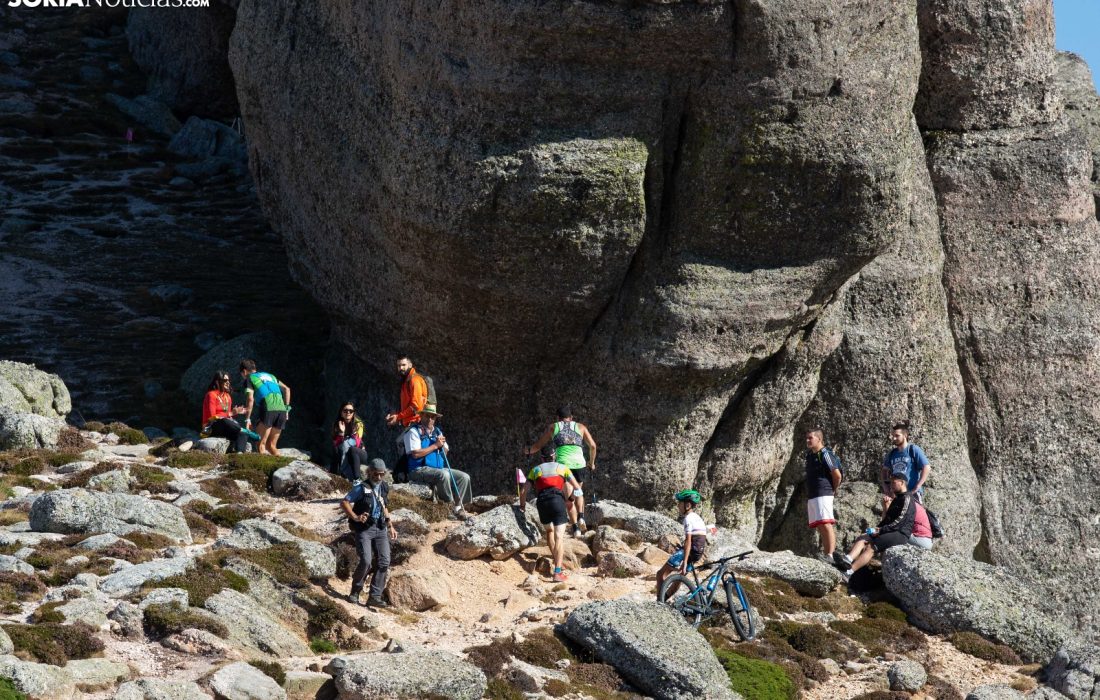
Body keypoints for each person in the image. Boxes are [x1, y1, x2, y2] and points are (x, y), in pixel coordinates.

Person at [526, 405, 597, 537]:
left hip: (564, 465)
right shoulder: (581, 427)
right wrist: (591, 463)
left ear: (558, 418)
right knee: (578, 491)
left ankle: (575, 528)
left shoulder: (553, 427)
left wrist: (528, 451)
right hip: (579, 463)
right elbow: (592, 446)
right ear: (571, 417)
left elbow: (538, 445)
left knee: (568, 499)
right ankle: (581, 517)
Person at [340, 459, 397, 608]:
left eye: (381, 474)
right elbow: (345, 502)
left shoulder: (384, 487)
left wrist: (390, 524)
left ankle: (374, 596)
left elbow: (383, 505)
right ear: (369, 472)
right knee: (366, 560)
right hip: (364, 529)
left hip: (381, 528)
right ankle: (355, 591)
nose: (378, 477)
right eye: (375, 474)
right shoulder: (361, 488)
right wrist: (355, 517)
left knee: (384, 561)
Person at [836, 474, 917, 581]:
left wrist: (880, 531)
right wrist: (885, 508)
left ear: (902, 483)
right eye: (890, 483)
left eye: (893, 482)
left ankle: (848, 573)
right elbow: (887, 519)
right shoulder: (897, 499)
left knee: (871, 547)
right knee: (863, 537)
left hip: (900, 534)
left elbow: (900, 521)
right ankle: (847, 560)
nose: (891, 486)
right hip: (891, 530)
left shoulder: (907, 498)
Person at [519, 447, 582, 583]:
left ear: (541, 458)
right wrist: (570, 499)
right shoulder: (562, 468)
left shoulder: (535, 470)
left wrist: (522, 506)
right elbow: (577, 488)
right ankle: (557, 572)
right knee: (559, 537)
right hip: (557, 501)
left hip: (542, 502)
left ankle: (557, 560)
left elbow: (524, 490)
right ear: (554, 457)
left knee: (549, 532)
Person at [402, 404, 472, 517]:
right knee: (443, 475)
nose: (430, 419)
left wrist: (442, 445)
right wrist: (435, 445)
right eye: (427, 416)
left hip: (436, 467)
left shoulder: (437, 432)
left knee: (464, 477)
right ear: (421, 416)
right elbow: (415, 454)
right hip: (418, 469)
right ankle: (448, 508)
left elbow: (445, 452)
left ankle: (459, 507)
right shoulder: (413, 432)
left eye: (433, 417)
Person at [655, 490, 708, 597]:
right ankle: (664, 599)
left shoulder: (688, 519)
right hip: (697, 553)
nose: (678, 505)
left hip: (690, 551)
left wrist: (684, 561)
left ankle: (659, 602)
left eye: (680, 503)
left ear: (687, 505)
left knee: (660, 574)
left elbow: (689, 541)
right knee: (679, 578)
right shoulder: (698, 518)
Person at [804, 428, 843, 565]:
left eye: (810, 438)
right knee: (820, 525)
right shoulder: (810, 455)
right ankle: (827, 555)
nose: (808, 440)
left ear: (819, 439)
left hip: (823, 492)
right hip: (813, 494)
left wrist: (833, 489)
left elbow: (837, 474)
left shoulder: (825, 454)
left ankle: (830, 555)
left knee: (826, 524)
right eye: (807, 438)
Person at [239, 359, 291, 456]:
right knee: (271, 446)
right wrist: (287, 409)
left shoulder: (249, 378)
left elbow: (250, 399)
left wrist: (247, 419)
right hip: (282, 410)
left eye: (241, 374)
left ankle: (263, 471)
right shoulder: (271, 376)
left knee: (260, 445)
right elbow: (287, 389)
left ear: (244, 371)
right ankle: (280, 467)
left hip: (268, 408)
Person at [881, 422, 931, 505]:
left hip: (912, 493)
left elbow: (926, 467)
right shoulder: (892, 453)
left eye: (897, 435)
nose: (894, 438)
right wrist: (886, 487)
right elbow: (884, 470)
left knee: (914, 517)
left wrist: (917, 486)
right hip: (896, 495)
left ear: (905, 435)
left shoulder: (913, 450)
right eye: (893, 436)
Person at [201, 371, 250, 453]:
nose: (228, 383)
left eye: (228, 380)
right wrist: (231, 413)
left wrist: (236, 413)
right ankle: (241, 430)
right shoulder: (211, 395)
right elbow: (212, 417)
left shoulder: (228, 396)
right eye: (225, 380)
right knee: (224, 421)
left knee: (243, 433)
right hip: (211, 427)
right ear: (217, 382)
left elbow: (228, 418)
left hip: (224, 426)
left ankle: (239, 454)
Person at [384, 355, 428, 428]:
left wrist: (398, 417)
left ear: (410, 365)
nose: (401, 368)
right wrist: (395, 415)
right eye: (399, 366)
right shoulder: (406, 381)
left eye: (404, 365)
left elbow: (415, 407)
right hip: (411, 424)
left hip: (416, 423)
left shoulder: (414, 380)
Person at [333, 402, 368, 482]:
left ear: (353, 413)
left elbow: (356, 443)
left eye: (350, 411)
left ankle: (356, 479)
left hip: (359, 454)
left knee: (351, 448)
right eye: (345, 411)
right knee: (336, 449)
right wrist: (342, 433)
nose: (348, 413)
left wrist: (349, 435)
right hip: (345, 454)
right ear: (341, 413)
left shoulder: (358, 424)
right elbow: (336, 444)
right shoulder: (337, 424)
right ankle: (334, 474)